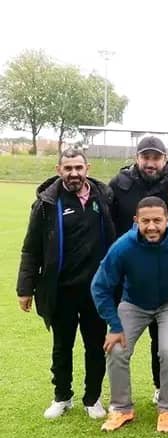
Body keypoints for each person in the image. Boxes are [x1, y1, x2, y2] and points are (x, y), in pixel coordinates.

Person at [17, 148, 116, 419]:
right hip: (60, 289)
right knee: (62, 346)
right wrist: (25, 288)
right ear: (59, 169)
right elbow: (31, 248)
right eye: (68, 168)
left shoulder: (104, 198)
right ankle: (62, 396)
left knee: (95, 345)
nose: (74, 173)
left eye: (78, 168)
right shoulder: (47, 204)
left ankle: (92, 398)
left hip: (97, 290)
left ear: (88, 168)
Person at [91, 197, 168, 433]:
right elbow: (99, 286)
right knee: (117, 349)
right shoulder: (124, 247)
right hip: (134, 304)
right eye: (145, 221)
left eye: (157, 220)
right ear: (136, 221)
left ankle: (167, 409)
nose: (151, 226)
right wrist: (114, 325)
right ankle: (122, 408)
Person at [108, 136, 168, 407]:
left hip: (167, 275)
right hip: (129, 269)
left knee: (163, 342)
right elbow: (107, 218)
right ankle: (118, 403)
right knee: (120, 340)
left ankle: (160, 389)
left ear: (164, 159)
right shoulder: (119, 184)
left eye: (156, 158)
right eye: (146, 157)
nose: (150, 163)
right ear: (137, 158)